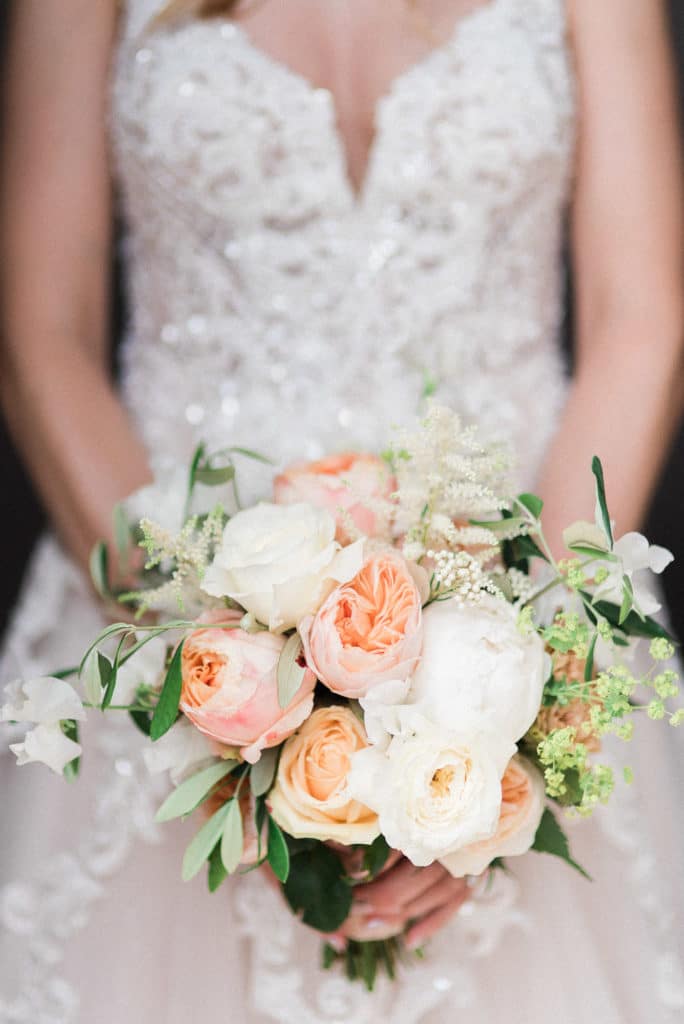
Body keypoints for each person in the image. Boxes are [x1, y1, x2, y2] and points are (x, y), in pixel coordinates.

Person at [1, 1, 683, 1021]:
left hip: (529, 582)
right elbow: (42, 337)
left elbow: (639, 321)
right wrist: (218, 697)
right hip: (154, 607)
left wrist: (513, 710)